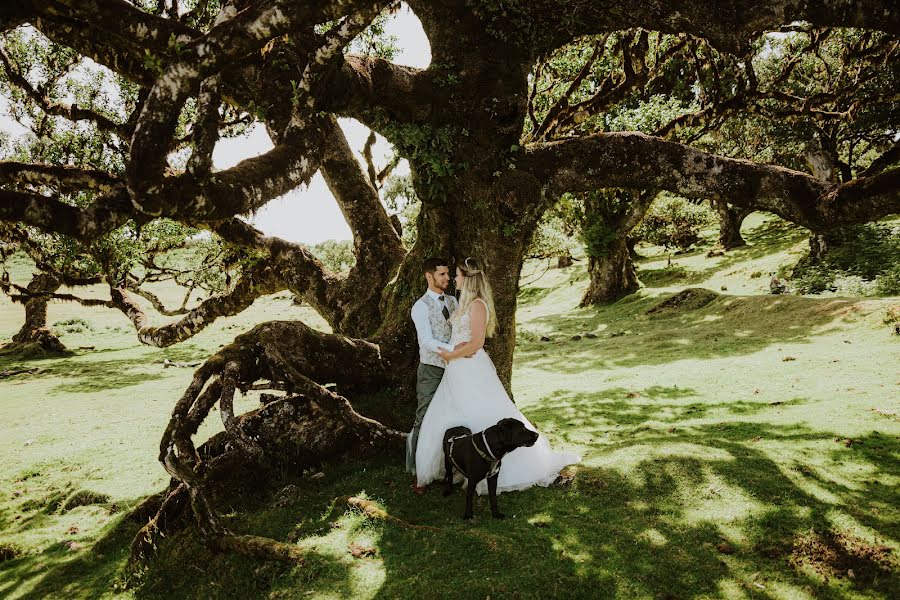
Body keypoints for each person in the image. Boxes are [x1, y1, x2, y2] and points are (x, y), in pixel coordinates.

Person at [415, 256, 580, 495]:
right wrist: (452, 354)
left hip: (469, 367)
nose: (454, 279)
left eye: (458, 276)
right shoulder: (460, 302)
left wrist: (452, 355)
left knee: (480, 410)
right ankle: (461, 464)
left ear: (468, 279)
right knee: (452, 412)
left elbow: (477, 342)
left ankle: (496, 465)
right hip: (456, 369)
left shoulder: (478, 304)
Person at [407, 257, 459, 494]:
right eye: (442, 274)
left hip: (457, 368)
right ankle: (418, 473)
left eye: (448, 274)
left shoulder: (453, 301)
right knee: (424, 417)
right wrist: (452, 351)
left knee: (455, 416)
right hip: (432, 369)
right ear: (429, 276)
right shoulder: (420, 306)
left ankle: (453, 467)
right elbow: (426, 341)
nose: (447, 278)